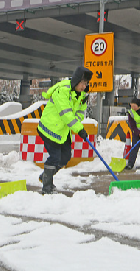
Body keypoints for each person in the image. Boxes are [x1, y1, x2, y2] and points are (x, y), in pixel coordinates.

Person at [37, 66, 93, 194]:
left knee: (66, 157)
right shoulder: (62, 91)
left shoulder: (81, 95)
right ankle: (47, 186)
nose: (84, 86)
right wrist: (79, 129)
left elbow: (79, 113)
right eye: (83, 83)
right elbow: (66, 114)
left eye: (86, 84)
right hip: (50, 128)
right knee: (55, 158)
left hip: (62, 130)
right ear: (77, 80)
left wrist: (78, 124)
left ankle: (46, 175)